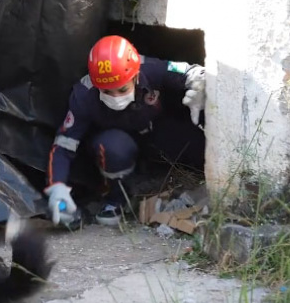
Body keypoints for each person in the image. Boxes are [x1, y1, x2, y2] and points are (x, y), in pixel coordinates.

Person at [44, 35, 206, 226]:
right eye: (106, 91)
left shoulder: (149, 68)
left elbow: (190, 71)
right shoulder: (83, 95)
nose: (115, 97)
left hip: (153, 132)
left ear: (135, 76)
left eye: (122, 90)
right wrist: (57, 187)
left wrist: (200, 84)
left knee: (197, 145)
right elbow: (64, 144)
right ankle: (115, 199)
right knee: (114, 147)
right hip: (114, 144)